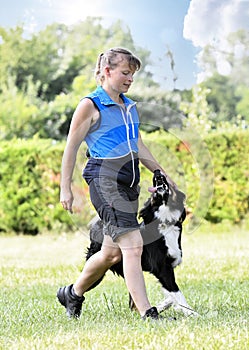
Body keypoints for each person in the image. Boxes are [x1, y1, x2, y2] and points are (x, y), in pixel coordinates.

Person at [57, 47, 176, 320]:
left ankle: (72, 294)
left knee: (112, 255)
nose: (130, 79)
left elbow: (138, 145)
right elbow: (71, 147)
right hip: (104, 180)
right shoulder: (91, 105)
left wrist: (162, 173)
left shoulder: (129, 106)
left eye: (132, 74)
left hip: (129, 183)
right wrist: (65, 188)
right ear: (107, 71)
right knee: (133, 245)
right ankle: (148, 313)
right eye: (125, 72)